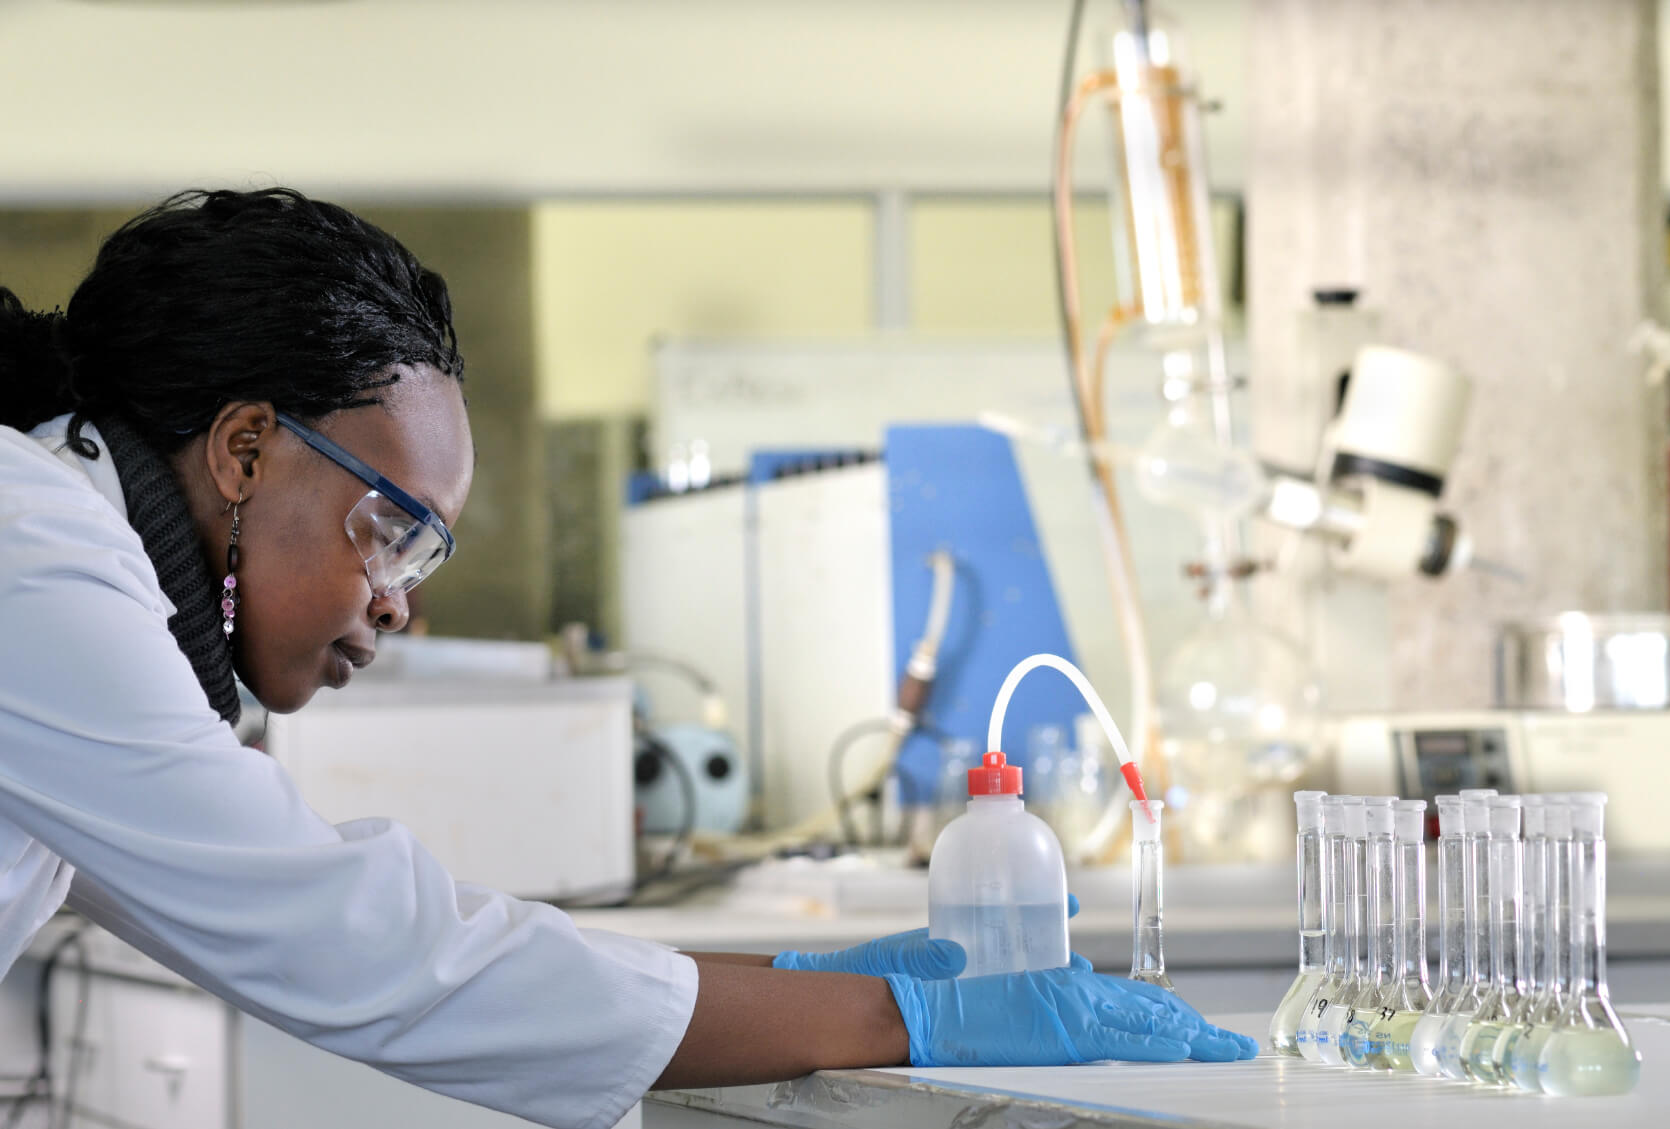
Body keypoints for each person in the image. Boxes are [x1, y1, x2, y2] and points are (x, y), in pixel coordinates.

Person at [0, 188, 1255, 1129]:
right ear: (242, 449)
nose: (395, 607)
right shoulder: (36, 548)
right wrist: (901, 1015)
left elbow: (359, 921)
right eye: (393, 532)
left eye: (418, 561)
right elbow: (353, 937)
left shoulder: (64, 549)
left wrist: (793, 981)